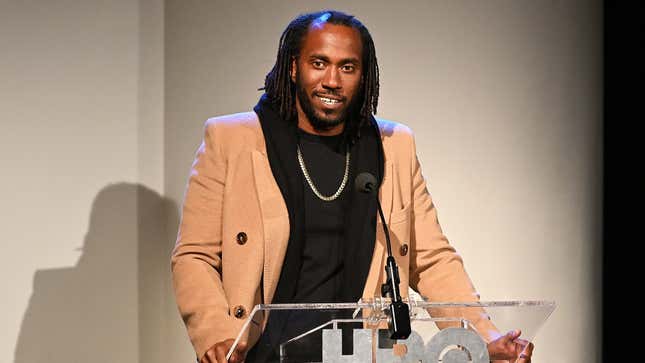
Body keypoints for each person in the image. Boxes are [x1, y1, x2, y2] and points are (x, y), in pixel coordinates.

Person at [172, 9, 533, 363]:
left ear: (363, 75)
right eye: (319, 63)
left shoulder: (392, 146)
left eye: (347, 67)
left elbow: (432, 258)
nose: (332, 80)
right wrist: (216, 333)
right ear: (294, 67)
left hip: (361, 354)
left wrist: (486, 338)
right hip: (262, 353)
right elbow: (194, 255)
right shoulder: (233, 139)